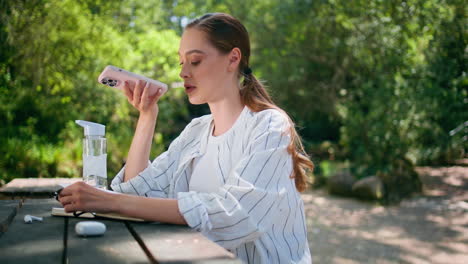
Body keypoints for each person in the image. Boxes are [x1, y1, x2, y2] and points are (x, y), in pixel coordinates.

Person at [59, 13, 314, 263]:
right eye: (181, 62)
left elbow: (234, 215)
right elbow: (137, 192)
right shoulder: (196, 131)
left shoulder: (269, 125)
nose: (183, 72)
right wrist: (147, 116)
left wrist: (109, 201)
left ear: (233, 59)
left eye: (195, 61)